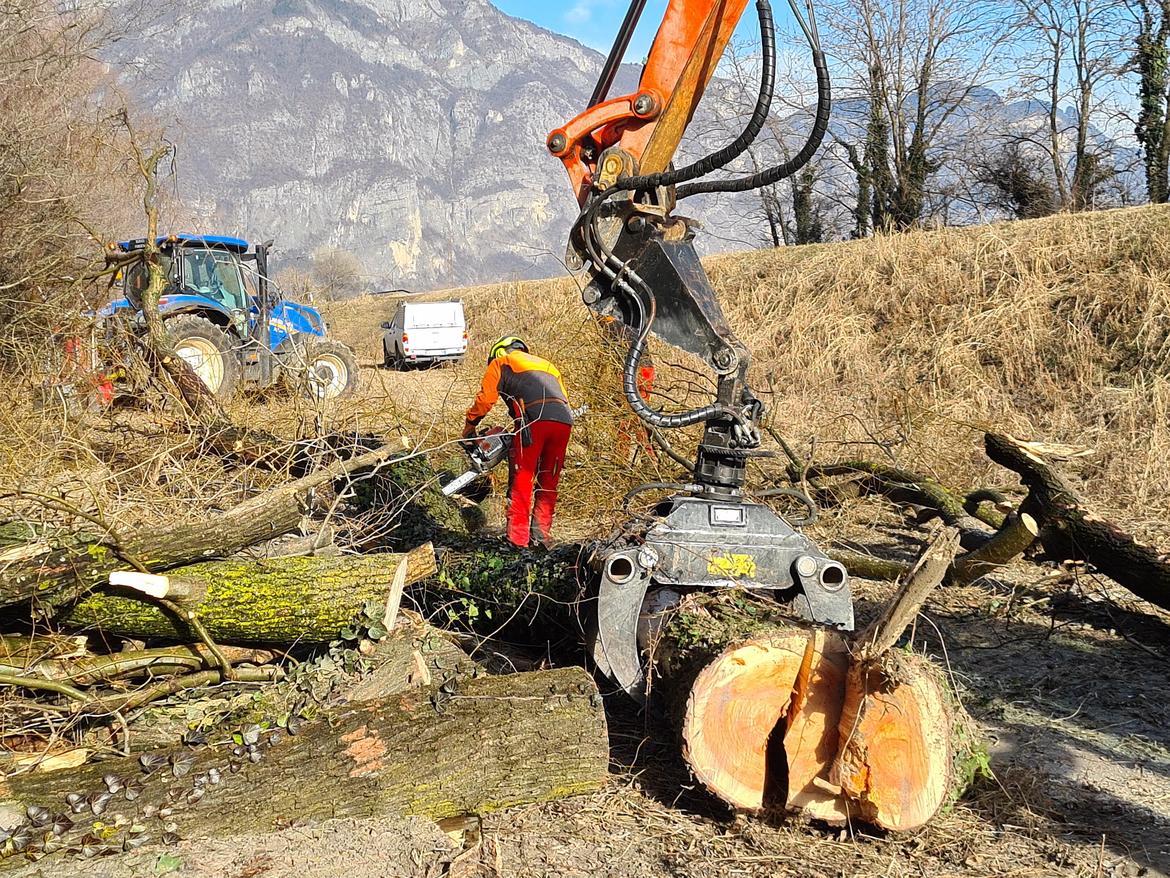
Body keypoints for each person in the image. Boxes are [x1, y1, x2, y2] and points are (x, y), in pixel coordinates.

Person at [463, 336, 574, 548]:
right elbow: (563, 398)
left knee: (523, 479)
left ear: (499, 351)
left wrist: (469, 426)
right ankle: (542, 536)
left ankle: (517, 541)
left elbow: (486, 400)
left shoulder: (501, 363)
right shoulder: (549, 366)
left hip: (533, 420)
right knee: (548, 481)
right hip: (564, 421)